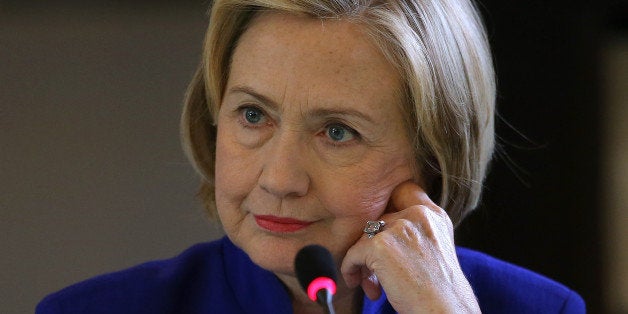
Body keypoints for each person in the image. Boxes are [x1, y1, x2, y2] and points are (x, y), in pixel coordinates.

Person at [37, 0, 586, 313]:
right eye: (254, 115)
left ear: (432, 158)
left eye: (338, 132)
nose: (279, 179)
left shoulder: (540, 309)